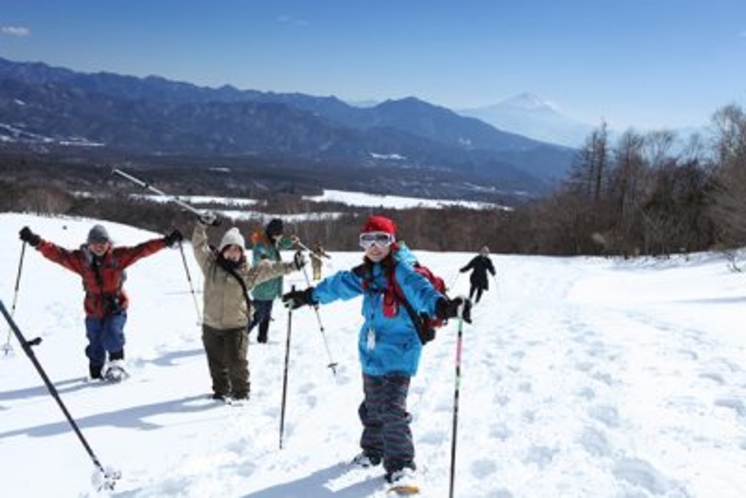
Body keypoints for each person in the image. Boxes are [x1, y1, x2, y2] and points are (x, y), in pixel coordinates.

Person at [281, 215, 471, 486]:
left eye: (381, 239)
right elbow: (338, 285)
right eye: (368, 240)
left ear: (391, 242)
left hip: (401, 351)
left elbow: (423, 293)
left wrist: (444, 307)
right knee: (372, 407)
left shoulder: (402, 271)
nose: (374, 246)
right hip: (371, 352)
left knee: (392, 408)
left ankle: (401, 465)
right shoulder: (367, 273)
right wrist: (307, 297)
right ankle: (373, 451)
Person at [18, 223, 183, 381]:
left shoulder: (118, 257)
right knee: (95, 343)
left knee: (112, 333)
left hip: (116, 305)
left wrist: (165, 242)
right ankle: (96, 372)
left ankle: (117, 365)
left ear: (108, 243)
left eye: (103, 242)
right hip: (93, 309)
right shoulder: (81, 260)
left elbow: (142, 250)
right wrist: (36, 241)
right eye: (95, 242)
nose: (99, 246)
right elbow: (57, 254)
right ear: (89, 244)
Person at [192, 214, 305, 402]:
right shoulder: (210, 266)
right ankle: (221, 391)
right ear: (222, 250)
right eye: (229, 249)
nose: (233, 253)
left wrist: (293, 265)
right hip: (211, 325)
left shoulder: (247, 273)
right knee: (216, 363)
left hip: (235, 326)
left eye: (237, 250)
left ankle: (241, 394)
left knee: (237, 363)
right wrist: (201, 225)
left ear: (242, 253)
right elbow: (198, 246)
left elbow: (270, 268)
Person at [248, 218, 298, 344]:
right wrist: (266, 260)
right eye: (279, 234)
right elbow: (261, 259)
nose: (281, 237)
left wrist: (291, 241)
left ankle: (262, 339)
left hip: (270, 290)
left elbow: (280, 245)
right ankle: (240, 336)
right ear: (273, 233)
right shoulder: (261, 246)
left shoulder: (271, 242)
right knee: (256, 317)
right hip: (262, 288)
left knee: (266, 316)